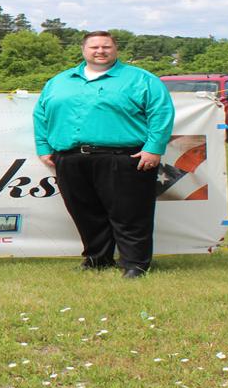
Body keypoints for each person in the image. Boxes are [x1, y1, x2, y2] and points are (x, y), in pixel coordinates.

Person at [33, 31, 174, 278]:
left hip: (124, 157)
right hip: (70, 158)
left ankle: (135, 264)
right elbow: (40, 115)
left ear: (115, 49)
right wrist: (44, 147)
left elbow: (161, 113)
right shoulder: (59, 81)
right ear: (83, 50)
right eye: (94, 47)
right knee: (85, 212)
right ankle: (98, 259)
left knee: (130, 214)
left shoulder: (142, 79)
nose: (100, 51)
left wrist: (154, 148)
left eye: (106, 46)